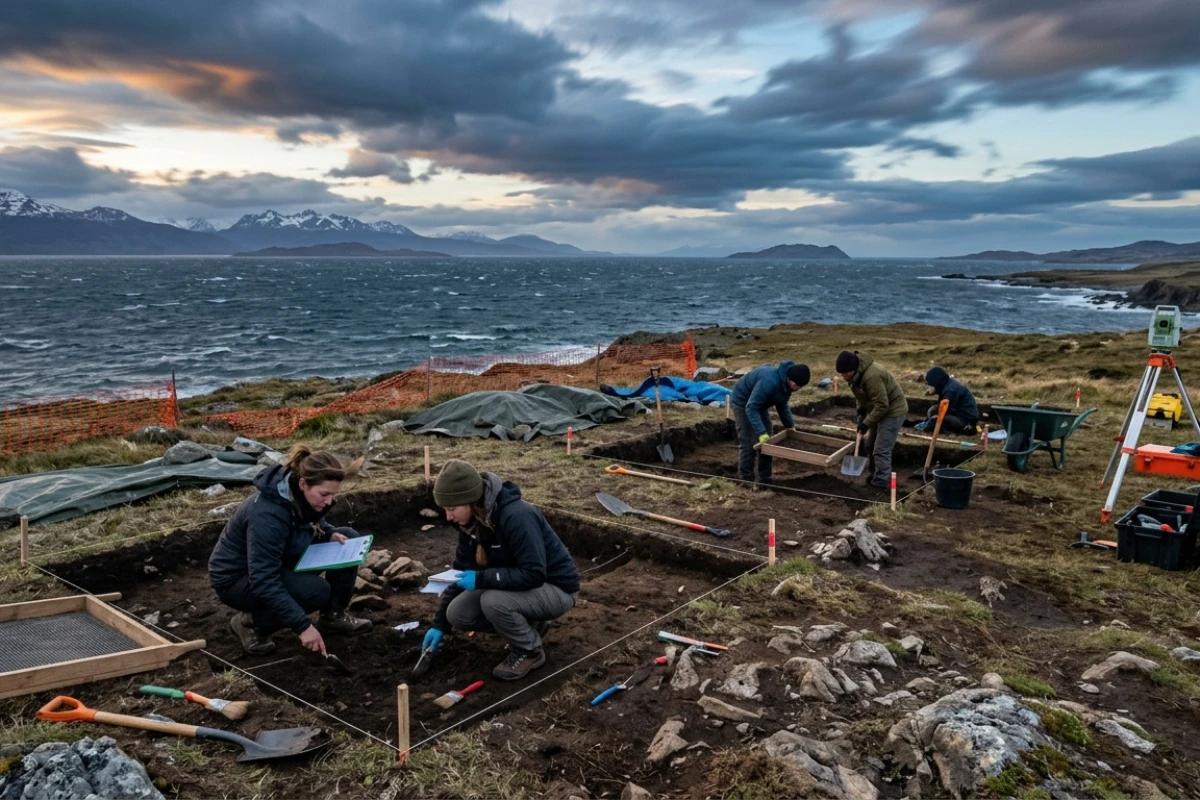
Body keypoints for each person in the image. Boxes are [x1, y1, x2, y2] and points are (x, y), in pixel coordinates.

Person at [423, 459, 579, 681]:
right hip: (520, 587)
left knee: (493, 601)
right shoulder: (471, 525)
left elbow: (534, 574)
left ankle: (529, 650)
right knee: (457, 613)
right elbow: (459, 573)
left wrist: (481, 578)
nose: (448, 517)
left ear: (470, 501)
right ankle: (531, 624)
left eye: (451, 509)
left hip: (556, 588)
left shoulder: (517, 516)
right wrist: (439, 625)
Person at [208, 444, 372, 656]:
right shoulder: (269, 515)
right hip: (238, 579)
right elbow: (263, 579)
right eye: (324, 494)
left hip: (279, 556)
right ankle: (250, 623)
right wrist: (302, 627)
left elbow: (308, 517)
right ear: (303, 483)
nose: (329, 501)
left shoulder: (296, 492)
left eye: (332, 494)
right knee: (317, 592)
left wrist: (329, 531)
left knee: (347, 537)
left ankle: (334, 616)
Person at [836, 350, 908, 490]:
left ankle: (881, 482)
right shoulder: (854, 376)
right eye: (841, 374)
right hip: (877, 409)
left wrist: (866, 424)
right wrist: (860, 412)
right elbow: (860, 397)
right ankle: (874, 473)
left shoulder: (871, 376)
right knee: (870, 445)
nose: (843, 377)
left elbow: (883, 405)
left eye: (846, 373)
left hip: (893, 411)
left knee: (881, 449)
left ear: (854, 369)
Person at [729, 361, 810, 484]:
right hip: (743, 402)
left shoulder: (787, 386)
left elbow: (782, 405)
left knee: (769, 441)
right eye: (796, 385)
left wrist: (790, 426)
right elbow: (751, 407)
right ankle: (746, 479)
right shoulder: (770, 382)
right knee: (749, 441)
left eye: (800, 386)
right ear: (789, 378)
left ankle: (765, 477)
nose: (797, 388)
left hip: (760, 404)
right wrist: (761, 432)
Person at [920, 366, 979, 434]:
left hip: (965, 420)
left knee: (935, 420)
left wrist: (927, 427)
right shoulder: (946, 385)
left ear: (935, 383)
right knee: (932, 410)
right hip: (956, 413)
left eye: (929, 385)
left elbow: (945, 410)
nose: (929, 388)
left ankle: (956, 429)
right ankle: (943, 428)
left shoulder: (951, 391)